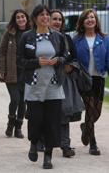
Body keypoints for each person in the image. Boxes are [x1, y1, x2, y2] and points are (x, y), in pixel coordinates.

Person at [18, 4, 66, 169]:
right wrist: (36, 62)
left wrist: (58, 60)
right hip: (34, 85)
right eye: (41, 14)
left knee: (52, 122)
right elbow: (21, 61)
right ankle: (34, 142)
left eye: (47, 14)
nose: (45, 17)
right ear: (35, 18)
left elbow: (65, 57)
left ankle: (48, 156)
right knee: (36, 119)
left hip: (53, 85)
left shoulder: (58, 37)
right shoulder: (27, 37)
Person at [73, 9, 109, 156]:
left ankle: (86, 127)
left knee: (97, 112)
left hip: (99, 78)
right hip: (84, 78)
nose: (90, 20)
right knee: (90, 108)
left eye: (92, 17)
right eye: (87, 18)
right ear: (82, 21)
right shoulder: (77, 39)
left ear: (96, 20)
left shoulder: (104, 38)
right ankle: (93, 144)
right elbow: (73, 59)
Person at [50, 9, 85, 158]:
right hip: (46, 82)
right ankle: (42, 141)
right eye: (54, 19)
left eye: (60, 19)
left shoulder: (67, 39)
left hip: (64, 81)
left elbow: (75, 59)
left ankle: (65, 145)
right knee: (47, 113)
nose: (57, 22)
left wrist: (70, 67)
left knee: (64, 113)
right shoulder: (41, 38)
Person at [0, 9, 31, 139]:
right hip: (12, 72)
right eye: (18, 17)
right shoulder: (9, 33)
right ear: (15, 20)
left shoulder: (31, 33)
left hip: (26, 72)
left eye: (23, 16)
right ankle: (10, 123)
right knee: (15, 99)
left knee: (23, 102)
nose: (21, 19)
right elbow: (2, 52)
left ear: (27, 18)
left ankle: (18, 127)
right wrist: (1, 70)